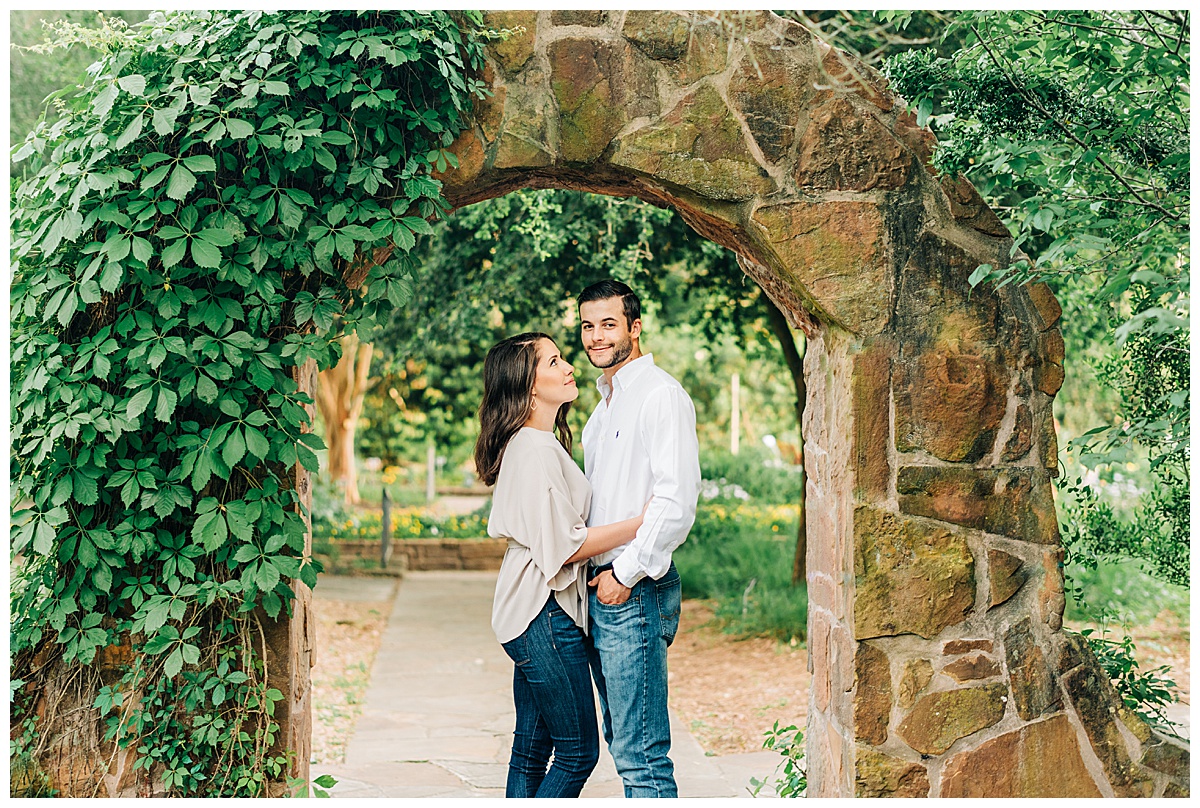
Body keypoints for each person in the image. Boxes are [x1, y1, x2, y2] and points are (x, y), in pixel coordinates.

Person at [476, 332, 646, 799]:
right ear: (530, 386)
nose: (569, 365)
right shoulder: (534, 449)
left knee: (530, 750)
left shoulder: (532, 443)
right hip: (543, 614)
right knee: (577, 753)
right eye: (554, 361)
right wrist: (644, 521)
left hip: (529, 613)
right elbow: (566, 547)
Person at [577, 280, 701, 798]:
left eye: (609, 324)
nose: (596, 336)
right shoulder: (602, 408)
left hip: (632, 590)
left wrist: (623, 576)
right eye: (587, 326)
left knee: (642, 756)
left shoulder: (660, 396)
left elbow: (677, 501)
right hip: (601, 588)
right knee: (623, 746)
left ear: (635, 326)